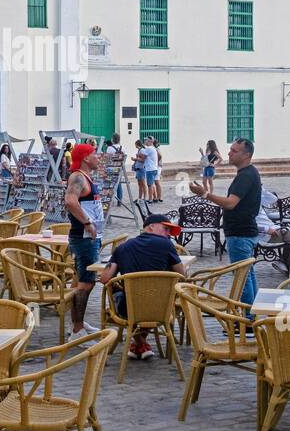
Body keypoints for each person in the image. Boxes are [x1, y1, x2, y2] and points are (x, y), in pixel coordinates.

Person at [97, 213, 188, 360]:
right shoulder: (166, 245)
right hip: (160, 307)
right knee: (153, 297)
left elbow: (105, 279)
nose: (169, 234)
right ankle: (140, 343)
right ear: (151, 227)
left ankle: (138, 343)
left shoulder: (122, 247)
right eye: (166, 229)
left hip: (128, 308)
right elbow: (182, 275)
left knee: (119, 292)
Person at [191, 137, 262, 308]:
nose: (229, 153)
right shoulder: (247, 173)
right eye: (230, 149)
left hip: (240, 234)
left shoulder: (246, 176)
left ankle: (248, 319)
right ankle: (252, 314)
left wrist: (205, 194)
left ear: (247, 155)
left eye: (234, 151)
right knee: (247, 275)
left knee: (242, 278)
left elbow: (231, 203)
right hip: (244, 232)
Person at [64, 143, 105, 340]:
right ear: (86, 157)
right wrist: (88, 223)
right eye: (94, 154)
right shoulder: (78, 177)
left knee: (82, 282)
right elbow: (70, 201)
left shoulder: (85, 177)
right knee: (86, 284)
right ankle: (77, 331)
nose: (98, 157)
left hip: (89, 237)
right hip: (84, 237)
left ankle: (77, 324)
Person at [141, 136, 161, 201]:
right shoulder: (153, 148)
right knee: (152, 184)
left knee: (149, 185)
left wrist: (138, 156)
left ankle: (150, 199)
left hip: (150, 169)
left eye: (146, 140)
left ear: (150, 141)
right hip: (154, 168)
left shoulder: (149, 148)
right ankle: (155, 197)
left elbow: (143, 157)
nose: (145, 141)